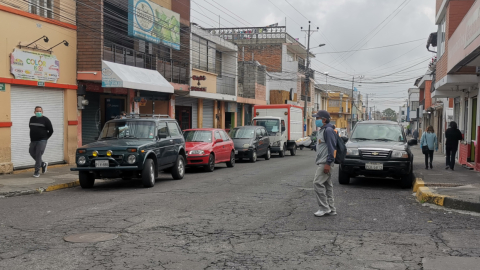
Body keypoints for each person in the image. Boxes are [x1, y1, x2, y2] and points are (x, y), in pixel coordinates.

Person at [311, 110, 337, 217]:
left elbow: (332, 148)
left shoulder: (328, 130)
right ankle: (331, 209)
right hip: (323, 161)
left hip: (325, 162)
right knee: (327, 185)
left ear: (324, 120)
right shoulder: (322, 130)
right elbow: (322, 146)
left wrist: (328, 163)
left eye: (318, 118)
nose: (316, 120)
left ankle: (324, 208)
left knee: (317, 183)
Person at [29, 106, 53, 177]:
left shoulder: (46, 120)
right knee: (31, 152)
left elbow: (51, 130)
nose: (38, 112)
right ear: (34, 112)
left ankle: (37, 172)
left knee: (38, 154)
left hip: (42, 140)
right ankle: (43, 164)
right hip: (33, 140)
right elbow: (31, 128)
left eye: (40, 111)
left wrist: (45, 138)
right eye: (37, 111)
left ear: (42, 112)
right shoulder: (32, 119)